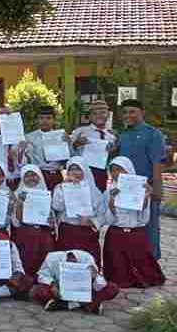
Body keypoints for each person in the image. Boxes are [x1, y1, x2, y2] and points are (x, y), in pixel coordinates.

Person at [101, 156, 165, 289]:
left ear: (128, 170)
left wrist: (145, 197)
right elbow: (109, 220)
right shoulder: (109, 191)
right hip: (116, 235)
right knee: (117, 275)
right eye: (113, 170)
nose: (117, 173)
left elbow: (143, 219)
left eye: (120, 169)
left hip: (136, 234)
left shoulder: (140, 189)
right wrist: (112, 201)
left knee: (145, 272)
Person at [116, 99, 165, 260]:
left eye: (132, 112)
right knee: (129, 227)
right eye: (125, 112)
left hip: (146, 189)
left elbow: (157, 163)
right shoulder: (122, 135)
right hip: (126, 189)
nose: (128, 115)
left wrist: (157, 189)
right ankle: (131, 263)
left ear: (142, 113)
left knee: (149, 227)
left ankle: (150, 263)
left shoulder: (153, 134)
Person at [52, 156, 104, 267]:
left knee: (88, 265)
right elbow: (57, 206)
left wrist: (91, 222)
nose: (75, 172)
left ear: (84, 170)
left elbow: (102, 214)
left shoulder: (95, 191)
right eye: (71, 169)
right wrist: (64, 187)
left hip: (87, 233)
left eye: (78, 169)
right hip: (67, 231)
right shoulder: (60, 187)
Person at [34, 250, 119, 315]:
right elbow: (41, 275)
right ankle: (90, 304)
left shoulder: (87, 258)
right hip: (60, 290)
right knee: (40, 291)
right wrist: (52, 284)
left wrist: (95, 276)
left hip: (83, 291)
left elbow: (100, 285)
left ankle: (65, 305)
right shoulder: (52, 257)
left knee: (113, 288)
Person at [10, 164, 57, 281]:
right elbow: (16, 222)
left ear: (40, 176)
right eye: (27, 175)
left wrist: (51, 221)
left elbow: (52, 221)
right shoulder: (16, 195)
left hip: (43, 236)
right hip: (24, 236)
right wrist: (20, 203)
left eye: (34, 175)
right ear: (22, 178)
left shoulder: (46, 194)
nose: (31, 178)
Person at [70, 100, 118, 192]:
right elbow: (69, 154)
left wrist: (113, 152)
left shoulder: (112, 136)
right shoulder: (80, 132)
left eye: (102, 112)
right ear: (90, 116)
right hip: (82, 172)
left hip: (102, 174)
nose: (99, 116)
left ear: (108, 115)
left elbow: (113, 159)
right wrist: (76, 144)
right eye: (94, 113)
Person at [0, 108, 29, 191]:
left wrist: (19, 155)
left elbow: (22, 166)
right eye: (6, 124)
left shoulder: (20, 142)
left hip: (16, 182)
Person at [25, 106, 70, 191]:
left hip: (56, 174)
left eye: (48, 118)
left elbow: (66, 161)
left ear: (54, 120)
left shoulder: (61, 136)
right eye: (41, 118)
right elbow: (26, 160)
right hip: (37, 175)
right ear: (37, 120)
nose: (45, 121)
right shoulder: (29, 137)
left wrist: (68, 145)